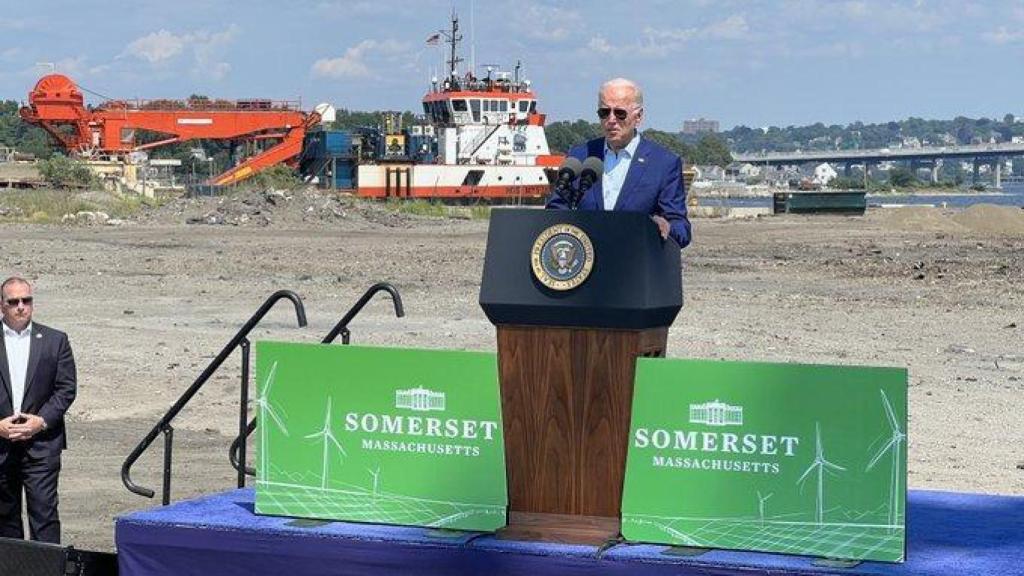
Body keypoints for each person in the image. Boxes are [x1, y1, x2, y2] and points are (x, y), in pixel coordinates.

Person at [546, 77, 692, 249]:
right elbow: (555, 210)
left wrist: (665, 227)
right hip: (584, 263)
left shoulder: (664, 164)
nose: (611, 120)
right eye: (604, 112)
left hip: (636, 265)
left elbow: (682, 229)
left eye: (620, 113)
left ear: (639, 117)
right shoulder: (579, 156)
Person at [0, 277, 77, 543]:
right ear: (2, 305)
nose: (21, 307)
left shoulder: (55, 340)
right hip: (1, 445)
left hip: (41, 445)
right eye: (13, 302)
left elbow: (66, 389)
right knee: (4, 518)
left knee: (44, 515)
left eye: (26, 300)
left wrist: (41, 421)